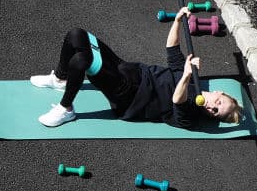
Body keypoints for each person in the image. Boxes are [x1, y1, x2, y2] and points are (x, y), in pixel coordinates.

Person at [29, 7, 243, 128]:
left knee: (81, 61)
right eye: (219, 103)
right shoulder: (194, 78)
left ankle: (66, 109)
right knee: (76, 34)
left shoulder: (191, 114)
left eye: (216, 113)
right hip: (130, 70)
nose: (212, 108)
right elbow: (172, 49)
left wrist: (186, 76)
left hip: (128, 95)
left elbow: (177, 99)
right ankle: (60, 79)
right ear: (219, 92)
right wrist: (177, 21)